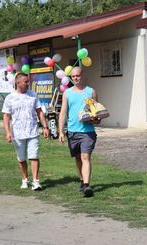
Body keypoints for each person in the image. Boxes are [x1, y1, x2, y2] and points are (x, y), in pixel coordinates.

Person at [2, 72, 50, 191]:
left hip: (33, 131)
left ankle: (35, 181)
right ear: (18, 83)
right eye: (26, 82)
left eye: (28, 81)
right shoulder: (10, 98)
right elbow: (6, 116)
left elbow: (39, 112)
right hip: (18, 133)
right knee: (21, 158)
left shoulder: (33, 95)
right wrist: (8, 132)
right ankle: (24, 179)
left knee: (34, 156)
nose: (28, 84)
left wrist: (45, 127)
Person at [58, 67, 100, 197]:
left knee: (85, 156)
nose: (76, 78)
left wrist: (94, 119)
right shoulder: (67, 93)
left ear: (83, 75)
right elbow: (63, 112)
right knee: (77, 158)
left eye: (78, 75)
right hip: (72, 131)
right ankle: (82, 180)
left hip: (87, 131)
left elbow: (96, 113)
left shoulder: (91, 91)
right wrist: (61, 131)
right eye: (73, 76)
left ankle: (87, 186)